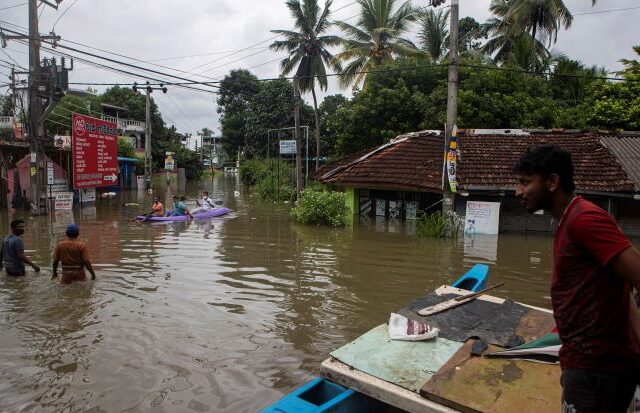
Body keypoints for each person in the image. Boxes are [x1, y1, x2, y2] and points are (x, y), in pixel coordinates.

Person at [514, 144, 640, 412]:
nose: (518, 192)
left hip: (598, 368)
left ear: (552, 182)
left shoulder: (585, 219)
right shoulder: (568, 219)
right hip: (584, 363)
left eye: (525, 183)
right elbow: (623, 286)